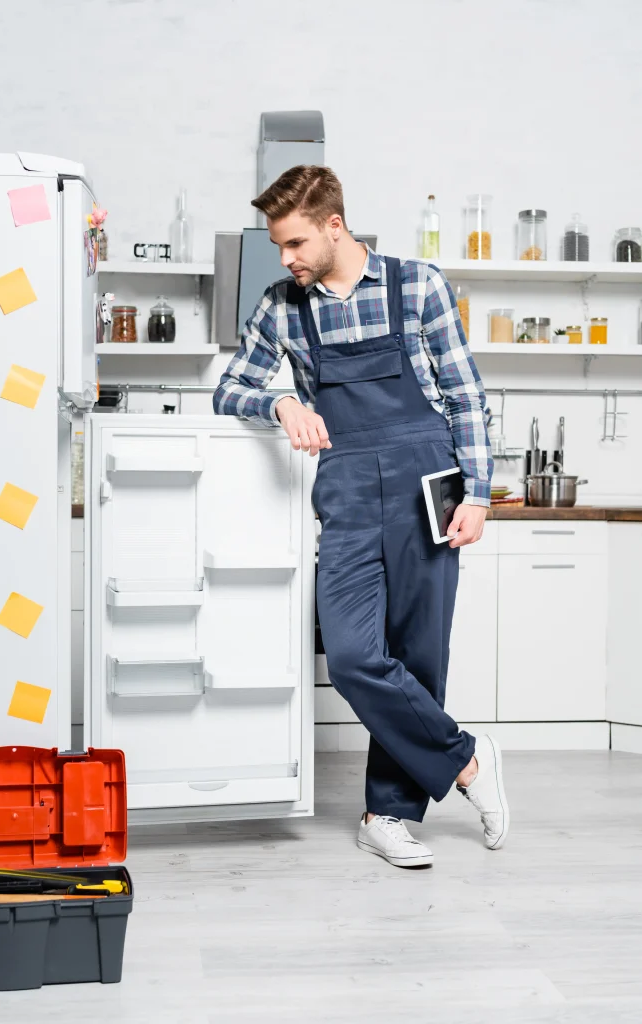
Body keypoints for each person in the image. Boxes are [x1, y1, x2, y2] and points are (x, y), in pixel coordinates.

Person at [214, 165, 509, 868]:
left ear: (333, 226)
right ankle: (465, 760)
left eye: (292, 243)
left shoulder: (419, 285)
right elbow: (230, 388)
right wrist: (279, 402)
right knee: (350, 656)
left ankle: (389, 813)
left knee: (420, 652)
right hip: (346, 489)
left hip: (429, 480)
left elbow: (466, 397)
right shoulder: (282, 306)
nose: (284, 259)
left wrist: (477, 494)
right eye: (278, 246)